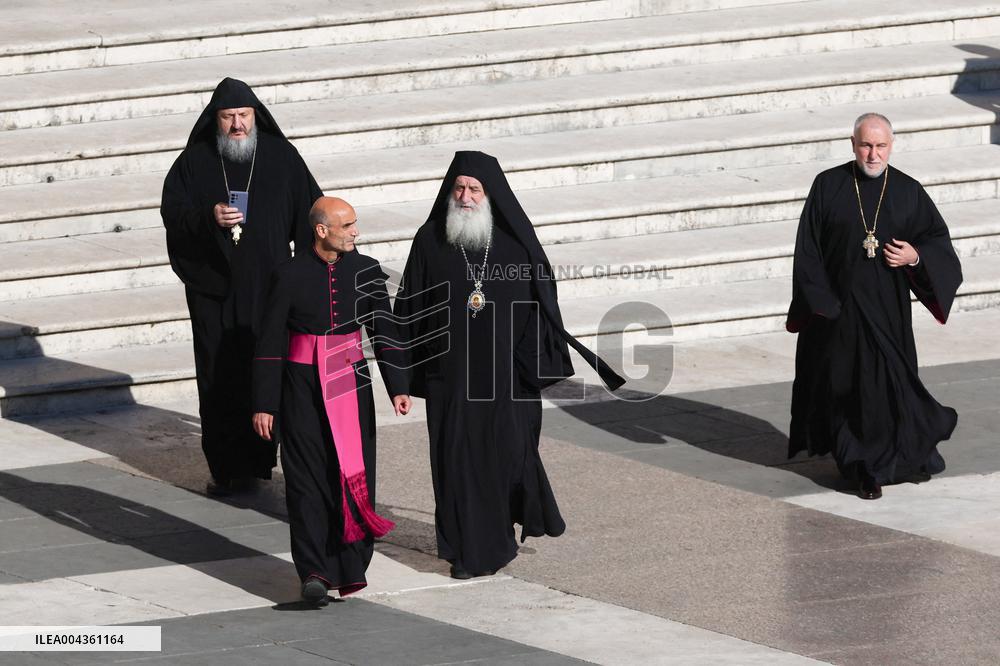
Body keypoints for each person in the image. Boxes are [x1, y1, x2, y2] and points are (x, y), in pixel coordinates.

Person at [394, 151, 624, 579]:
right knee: (456, 462)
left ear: (490, 194)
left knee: (505, 460)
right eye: (458, 188)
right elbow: (407, 308)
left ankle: (497, 538)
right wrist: (401, 378)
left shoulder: (516, 245)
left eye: (474, 189)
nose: (464, 197)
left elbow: (541, 312)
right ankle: (467, 550)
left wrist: (530, 370)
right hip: (452, 380)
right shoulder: (430, 240)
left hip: (506, 380)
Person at [787, 113, 963, 500]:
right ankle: (859, 467)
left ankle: (883, 460)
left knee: (886, 392)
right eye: (866, 144)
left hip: (887, 314)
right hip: (839, 313)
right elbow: (808, 250)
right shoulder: (829, 185)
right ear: (852, 144)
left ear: (891, 147)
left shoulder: (907, 191)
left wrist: (916, 257)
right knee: (846, 392)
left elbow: (938, 241)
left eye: (880, 146)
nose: (873, 153)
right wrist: (820, 303)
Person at [161, 77, 322, 496]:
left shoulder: (282, 157)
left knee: (266, 370)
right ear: (216, 120)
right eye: (229, 116)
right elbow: (173, 215)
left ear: (256, 116)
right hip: (213, 291)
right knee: (219, 375)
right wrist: (207, 216)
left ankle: (262, 459)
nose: (237, 125)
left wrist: (310, 276)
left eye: (244, 116)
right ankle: (227, 466)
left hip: (269, 289)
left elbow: (311, 214)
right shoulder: (195, 161)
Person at [252, 196, 411, 605]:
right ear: (322, 231)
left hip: (350, 384)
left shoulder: (367, 271)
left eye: (355, 224)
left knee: (351, 471)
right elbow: (269, 340)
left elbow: (384, 329)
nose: (355, 232)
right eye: (347, 226)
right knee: (305, 480)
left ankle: (350, 564)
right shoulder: (288, 275)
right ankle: (314, 572)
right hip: (299, 387)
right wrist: (265, 402)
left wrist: (398, 385)